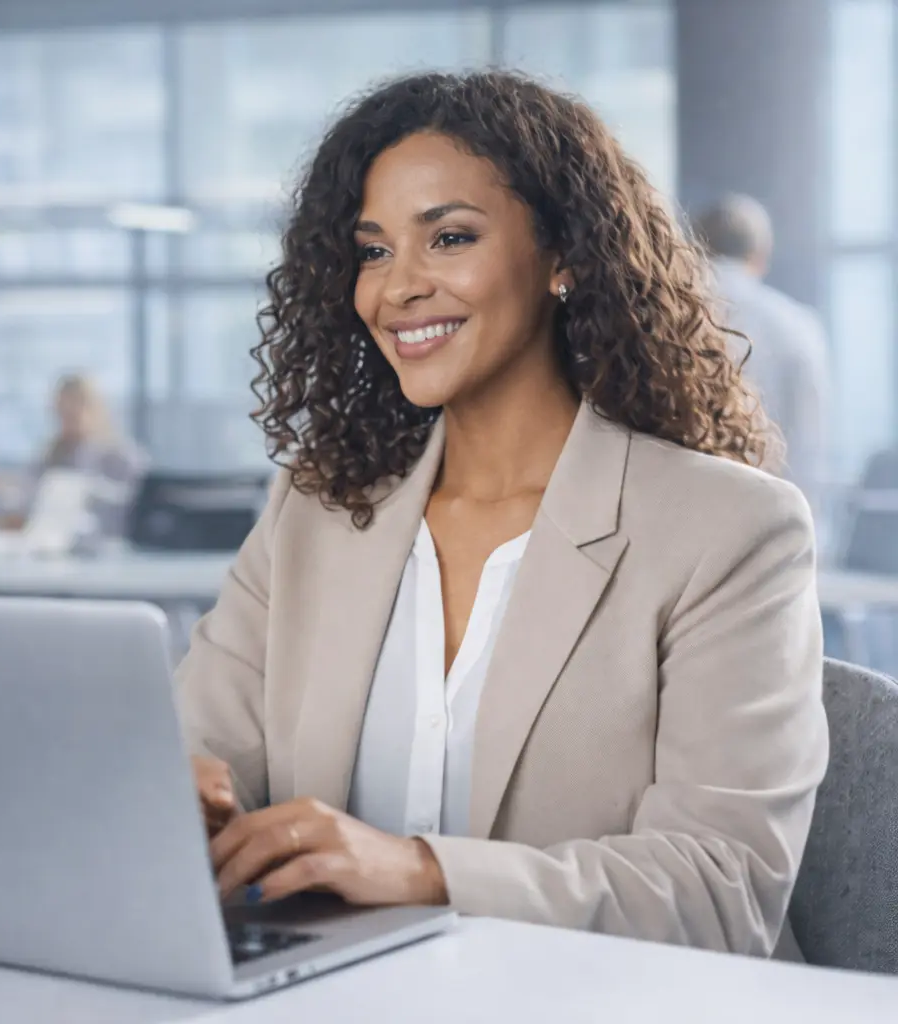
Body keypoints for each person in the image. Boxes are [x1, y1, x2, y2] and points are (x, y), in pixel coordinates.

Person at [179, 71, 826, 959]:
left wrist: (420, 870)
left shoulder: (729, 531)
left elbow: (720, 891)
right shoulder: (317, 508)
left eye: (448, 238)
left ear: (564, 257)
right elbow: (197, 742)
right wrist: (182, 787)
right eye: (372, 251)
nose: (397, 288)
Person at [693, 194, 829, 514]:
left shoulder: (660, 317)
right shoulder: (799, 325)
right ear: (761, 255)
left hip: (684, 510)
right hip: (775, 511)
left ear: (694, 246)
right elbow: (810, 442)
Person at [0, 374, 147, 536]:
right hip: (51, 543)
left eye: (74, 412)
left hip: (109, 545)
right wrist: (10, 492)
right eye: (62, 413)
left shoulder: (121, 453)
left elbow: (137, 503)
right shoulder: (51, 453)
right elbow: (27, 499)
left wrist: (89, 491)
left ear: (95, 409)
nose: (67, 421)